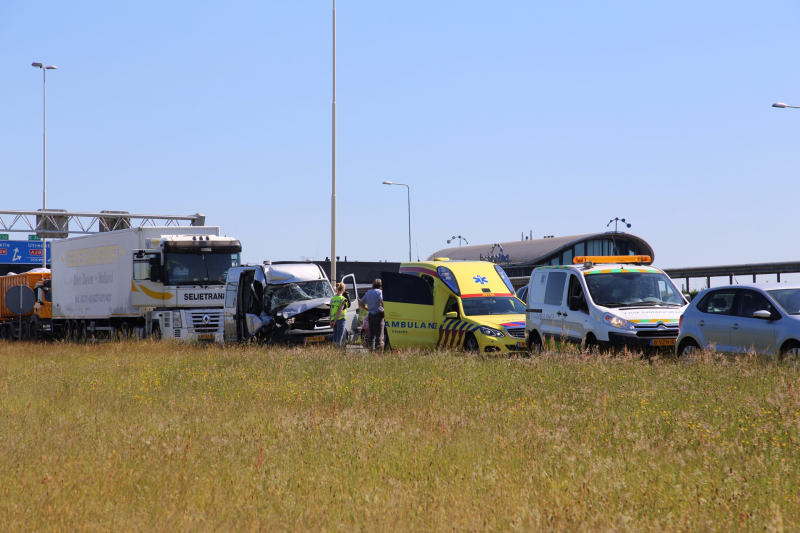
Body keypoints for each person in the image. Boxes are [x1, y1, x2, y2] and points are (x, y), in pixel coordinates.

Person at [359, 279, 384, 351]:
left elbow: (360, 303)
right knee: (379, 336)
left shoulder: (368, 292)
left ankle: (371, 351)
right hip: (379, 315)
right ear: (380, 286)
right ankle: (378, 353)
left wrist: (368, 308)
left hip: (370, 315)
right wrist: (384, 311)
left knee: (372, 336)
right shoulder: (380, 292)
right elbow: (382, 301)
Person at [330, 282, 349, 348]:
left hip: (333, 320)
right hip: (341, 320)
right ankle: (338, 352)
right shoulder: (343, 299)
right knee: (339, 339)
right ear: (343, 289)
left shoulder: (332, 299)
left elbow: (331, 310)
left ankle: (334, 353)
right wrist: (335, 321)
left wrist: (331, 321)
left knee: (334, 338)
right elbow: (340, 310)